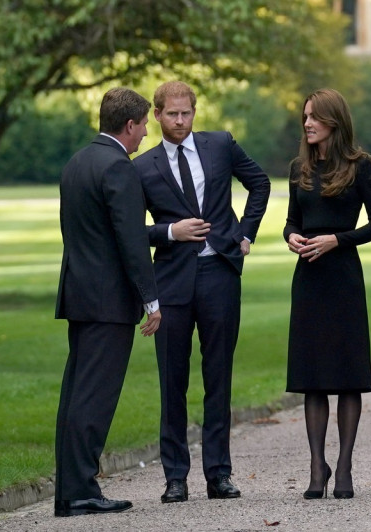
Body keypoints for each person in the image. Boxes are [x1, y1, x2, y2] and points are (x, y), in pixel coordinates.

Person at [134, 81, 270, 504]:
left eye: (186, 114)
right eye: (171, 114)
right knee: (172, 382)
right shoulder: (141, 167)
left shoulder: (220, 145)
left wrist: (245, 234)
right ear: (156, 114)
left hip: (219, 275)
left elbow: (260, 183)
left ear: (195, 112)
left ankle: (219, 474)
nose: (179, 122)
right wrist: (170, 231)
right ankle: (175, 478)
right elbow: (130, 231)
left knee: (219, 378)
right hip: (171, 282)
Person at [54, 87, 161, 517]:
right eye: (143, 128)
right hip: (108, 300)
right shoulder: (119, 167)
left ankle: (70, 489)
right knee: (94, 398)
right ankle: (81, 491)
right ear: (130, 124)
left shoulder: (77, 162)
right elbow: (131, 240)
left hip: (79, 292)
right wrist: (151, 300)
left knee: (76, 395)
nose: (144, 137)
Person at [284, 88, 371, 500]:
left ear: (334, 122)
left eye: (314, 117)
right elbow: (291, 221)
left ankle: (343, 466)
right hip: (308, 278)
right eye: (305, 117)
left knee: (346, 376)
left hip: (343, 277)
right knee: (313, 377)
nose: (307, 123)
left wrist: (337, 241)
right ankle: (316, 466)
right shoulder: (299, 168)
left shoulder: (361, 167)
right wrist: (293, 238)